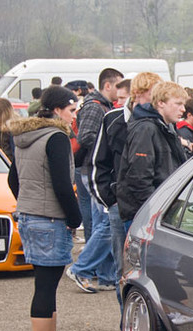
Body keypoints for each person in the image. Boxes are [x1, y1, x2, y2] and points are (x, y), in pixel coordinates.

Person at [6, 86, 81, 331]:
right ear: (58, 110)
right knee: (46, 286)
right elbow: (63, 185)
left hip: (28, 216)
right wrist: (75, 218)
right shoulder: (56, 137)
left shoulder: (25, 136)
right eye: (72, 111)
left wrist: (28, 204)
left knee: (44, 283)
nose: (74, 117)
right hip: (49, 219)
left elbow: (15, 180)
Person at [91, 71, 162, 308]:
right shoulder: (112, 119)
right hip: (120, 206)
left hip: (150, 205)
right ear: (140, 94)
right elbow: (98, 162)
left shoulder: (158, 121)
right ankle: (126, 323)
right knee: (123, 269)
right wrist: (109, 199)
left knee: (150, 268)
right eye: (154, 94)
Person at [67, 67, 124, 294]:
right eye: (118, 86)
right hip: (94, 171)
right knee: (107, 224)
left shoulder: (103, 107)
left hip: (93, 170)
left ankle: (106, 275)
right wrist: (107, 148)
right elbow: (87, 136)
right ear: (107, 85)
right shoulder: (95, 108)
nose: (120, 92)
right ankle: (82, 268)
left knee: (103, 224)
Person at [116, 82, 188, 225]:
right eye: (178, 104)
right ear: (161, 103)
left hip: (160, 208)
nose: (183, 109)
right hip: (145, 213)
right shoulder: (146, 129)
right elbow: (139, 177)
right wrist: (155, 211)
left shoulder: (166, 127)